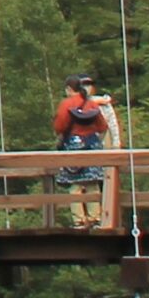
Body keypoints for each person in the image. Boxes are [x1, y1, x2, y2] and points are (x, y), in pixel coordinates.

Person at [52, 76, 110, 228]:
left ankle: (79, 221)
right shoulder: (91, 104)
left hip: (72, 145)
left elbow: (59, 126)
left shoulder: (66, 104)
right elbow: (103, 127)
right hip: (92, 145)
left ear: (69, 89)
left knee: (75, 184)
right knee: (92, 182)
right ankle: (95, 219)